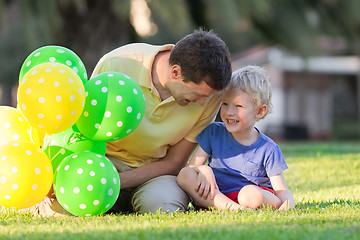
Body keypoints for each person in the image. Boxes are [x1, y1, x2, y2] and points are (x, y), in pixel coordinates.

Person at [26, 28, 232, 216]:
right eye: (197, 94)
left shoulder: (209, 95)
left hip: (154, 173)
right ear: (176, 72)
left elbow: (174, 163)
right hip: (102, 165)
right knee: (67, 210)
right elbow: (83, 127)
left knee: (163, 206)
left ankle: (122, 200)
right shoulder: (118, 63)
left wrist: (117, 183)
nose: (203, 102)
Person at [177, 66, 295, 211]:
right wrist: (203, 169)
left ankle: (236, 207)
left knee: (249, 195)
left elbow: (281, 189)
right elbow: (192, 166)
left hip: (251, 197)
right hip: (216, 195)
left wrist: (288, 203)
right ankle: (233, 209)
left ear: (259, 111)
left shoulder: (268, 148)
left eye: (238, 106)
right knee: (184, 174)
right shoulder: (214, 132)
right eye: (225, 104)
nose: (229, 112)